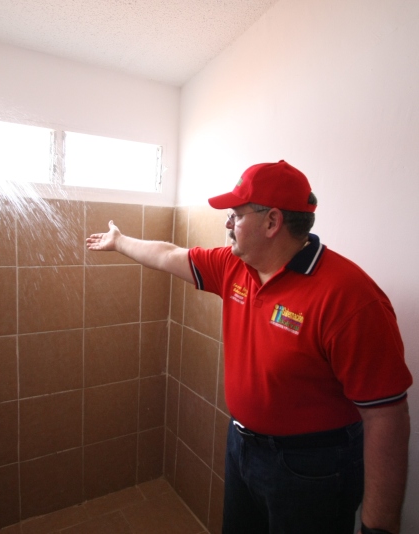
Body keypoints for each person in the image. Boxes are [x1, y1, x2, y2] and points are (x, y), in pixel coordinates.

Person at [86, 160, 413, 534]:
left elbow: (386, 417)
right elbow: (168, 254)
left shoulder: (349, 298)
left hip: (312, 468)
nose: (228, 224)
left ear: (272, 222)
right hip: (242, 446)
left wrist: (379, 526)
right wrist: (120, 241)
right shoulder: (234, 266)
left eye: (237, 215)